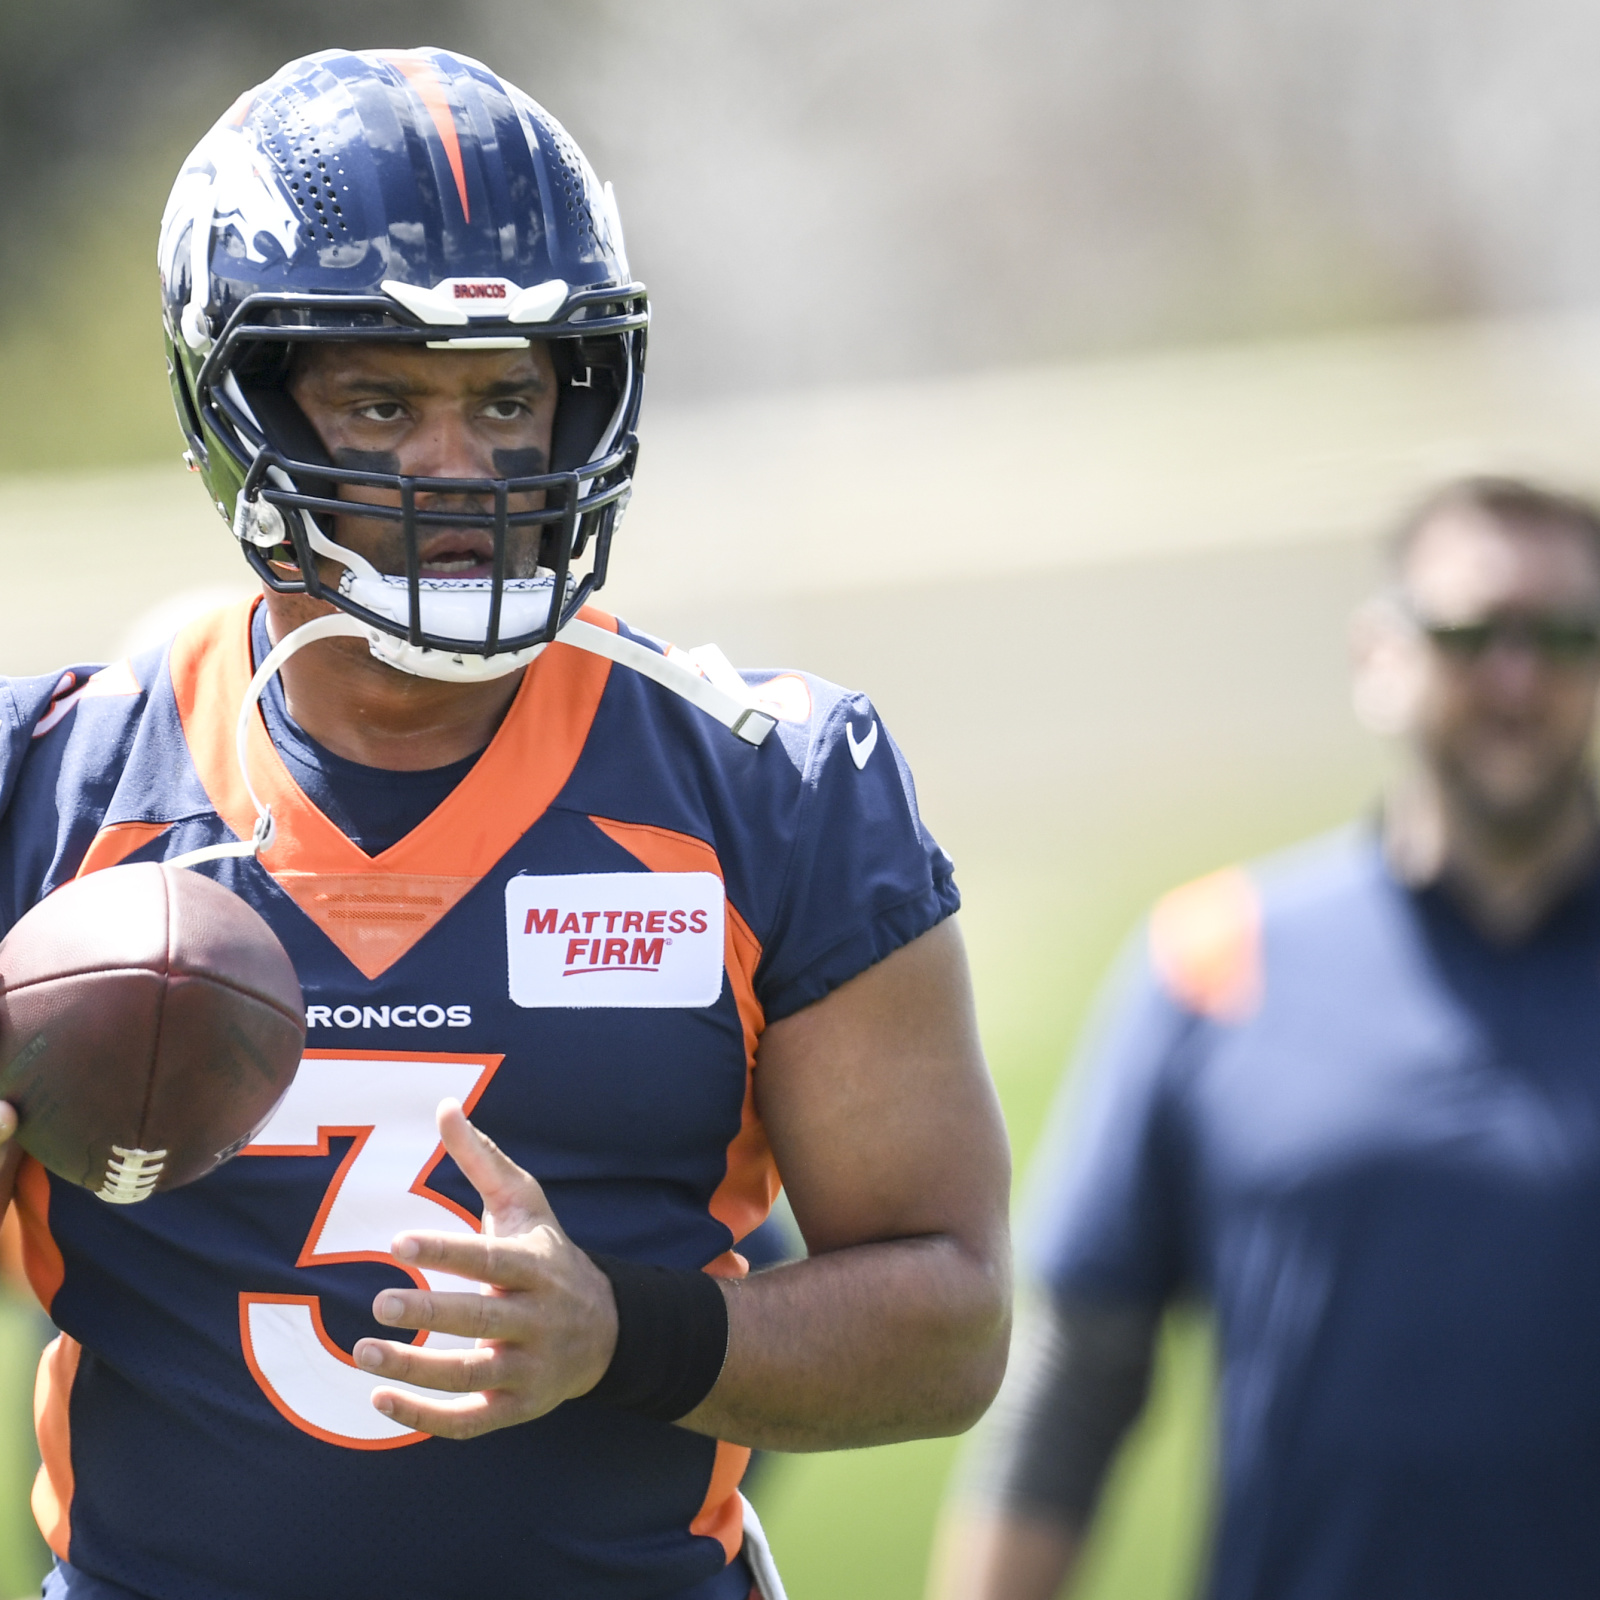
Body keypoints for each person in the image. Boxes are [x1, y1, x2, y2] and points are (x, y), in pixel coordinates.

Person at [0, 48, 1012, 1600]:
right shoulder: (45, 785)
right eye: (383, 399)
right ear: (243, 398)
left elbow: (949, 1321)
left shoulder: (771, 780)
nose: (457, 468)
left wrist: (623, 1336)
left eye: (507, 396)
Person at [927, 475, 1600, 1600]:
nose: (1515, 679)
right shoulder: (1214, 959)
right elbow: (1076, 1382)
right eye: (1472, 633)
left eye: (1563, 634)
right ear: (1379, 657)